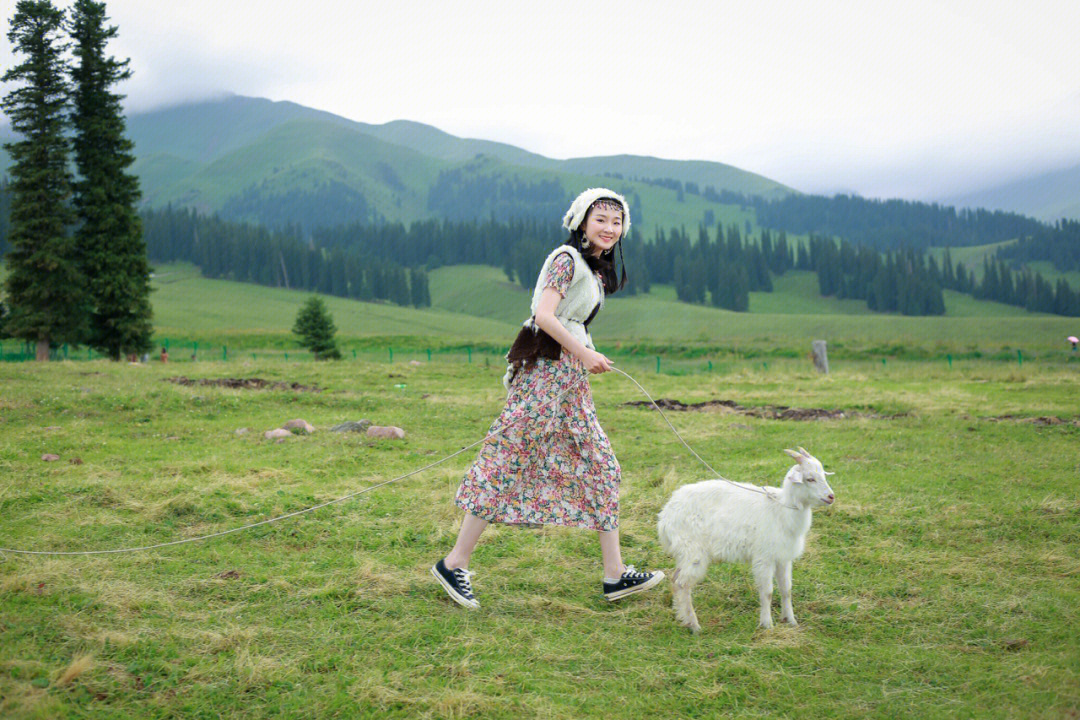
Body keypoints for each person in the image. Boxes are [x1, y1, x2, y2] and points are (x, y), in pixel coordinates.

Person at [431, 187, 665, 609]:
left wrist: (583, 356)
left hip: (570, 377)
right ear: (581, 221)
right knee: (506, 458)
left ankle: (614, 576)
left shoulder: (591, 270)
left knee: (602, 465)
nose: (610, 228)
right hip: (545, 370)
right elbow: (544, 315)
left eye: (617, 221)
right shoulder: (566, 259)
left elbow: (569, 321)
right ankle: (454, 562)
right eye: (601, 219)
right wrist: (586, 353)